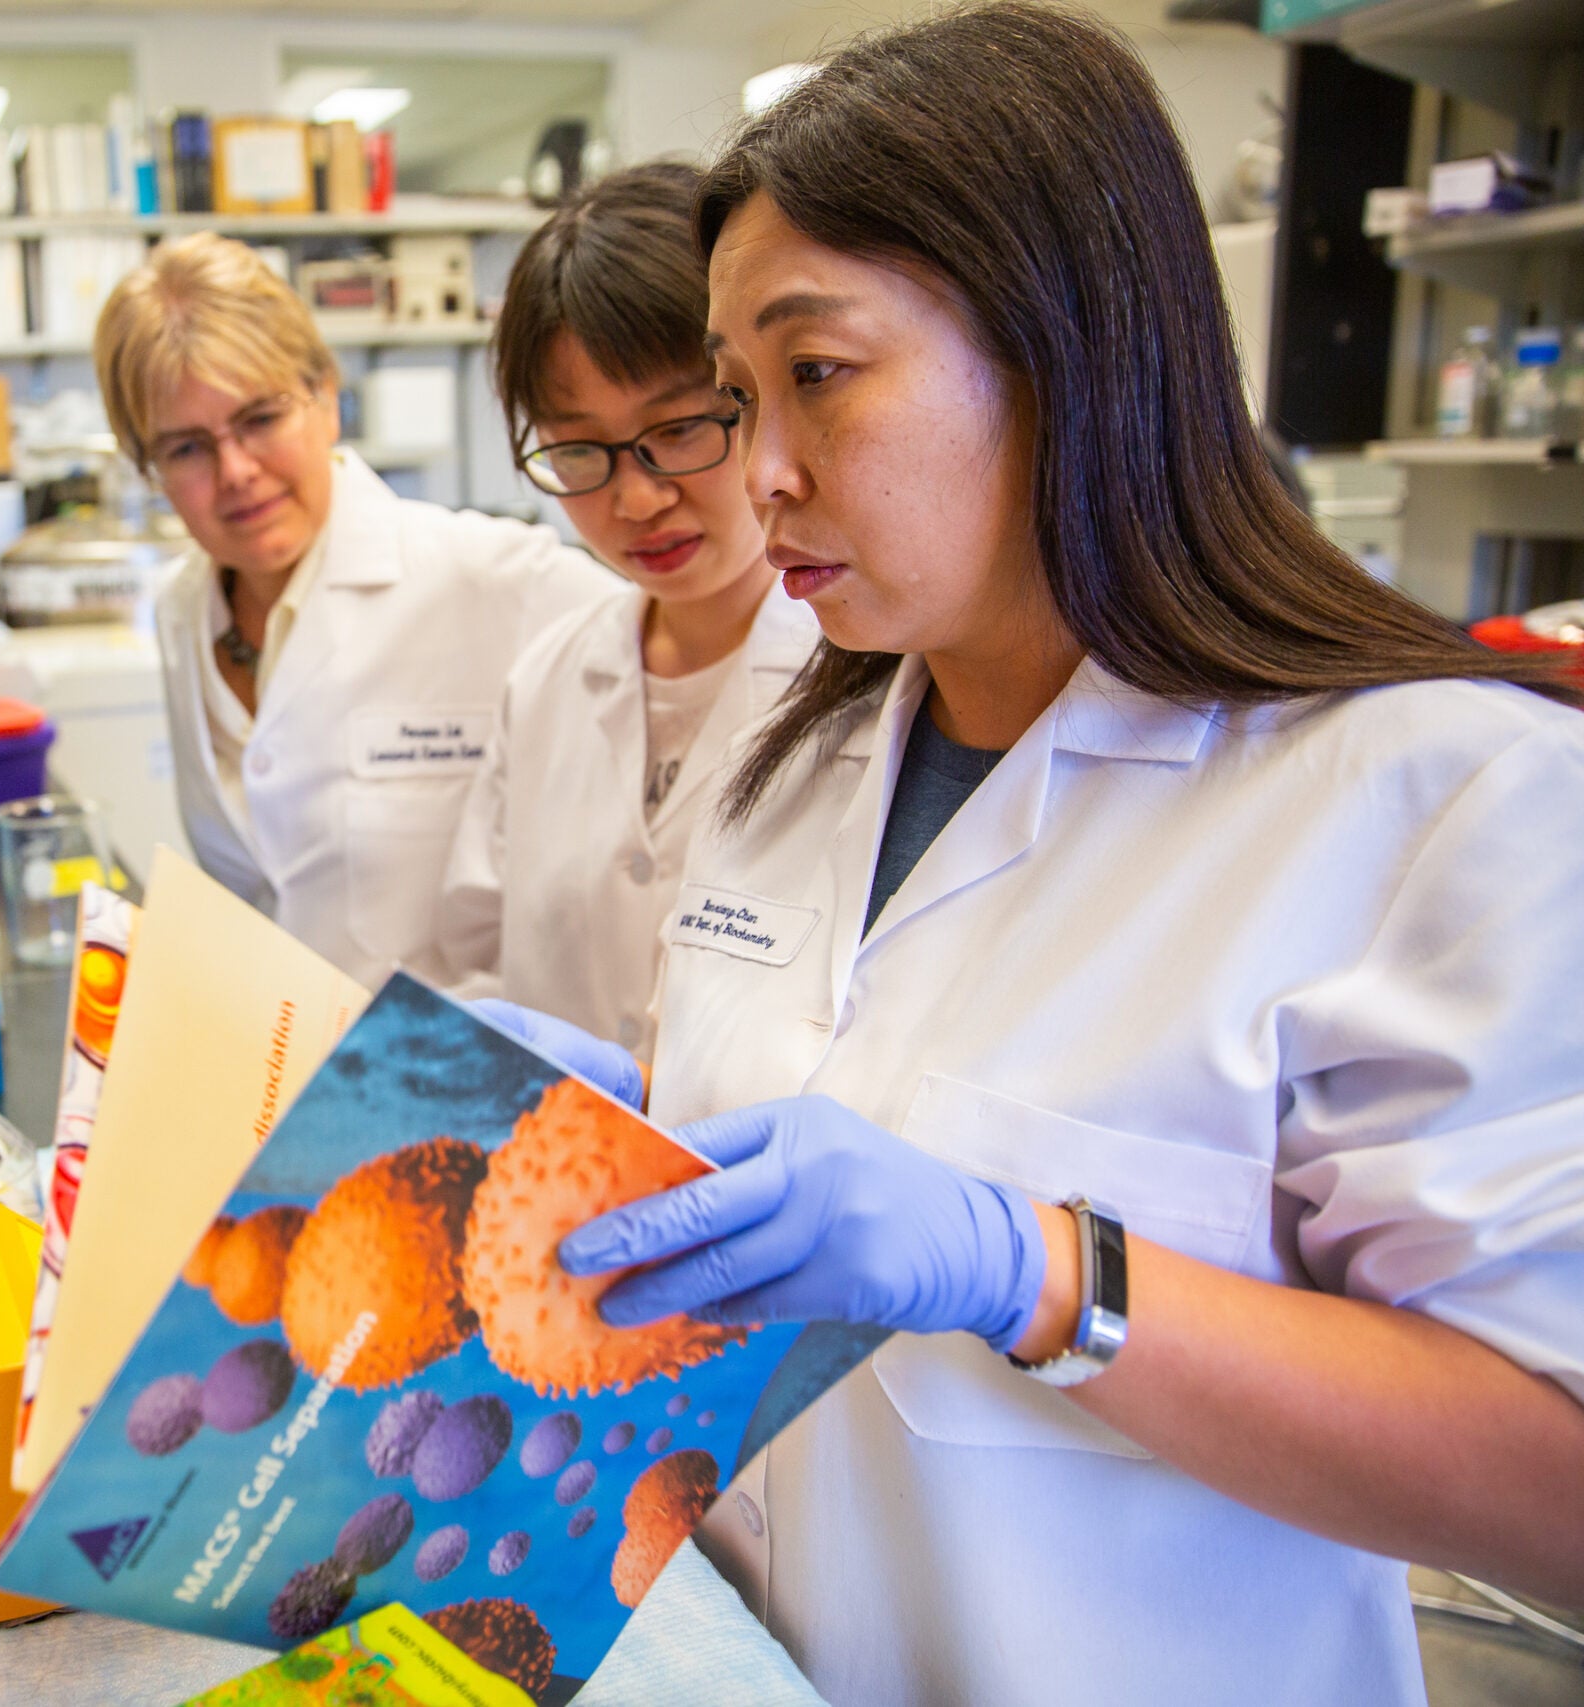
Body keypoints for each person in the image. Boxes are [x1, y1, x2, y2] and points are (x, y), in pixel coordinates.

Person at [483, 9, 1584, 1703]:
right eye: (736, 395)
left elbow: (1552, 1488)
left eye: (819, 376)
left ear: (1071, 344)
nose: (756, 472)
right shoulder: (800, 766)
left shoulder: (1442, 797)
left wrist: (1042, 1271)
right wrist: (617, 1151)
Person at [93, 235, 611, 988]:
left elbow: (695, 643)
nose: (235, 471)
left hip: (448, 1081)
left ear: (326, 398)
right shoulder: (183, 611)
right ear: (150, 468)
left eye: (261, 419)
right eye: (186, 449)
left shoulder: (489, 578)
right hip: (267, 1074)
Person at [437, 163, 818, 1053]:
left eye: (680, 428)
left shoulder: (873, 679)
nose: (636, 499)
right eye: (577, 448)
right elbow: (474, 962)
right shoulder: (549, 679)